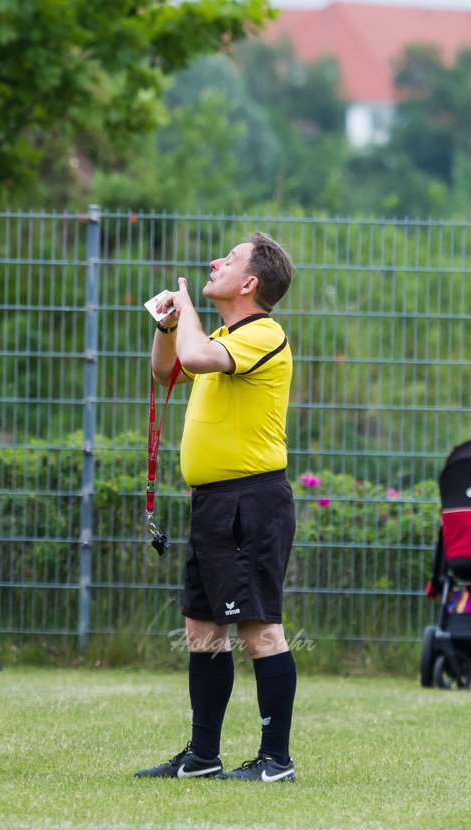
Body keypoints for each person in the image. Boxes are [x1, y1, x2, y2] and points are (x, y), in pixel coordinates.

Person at [135, 232, 298, 783]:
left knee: (259, 630)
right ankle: (203, 756)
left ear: (249, 283)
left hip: (249, 502)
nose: (214, 262)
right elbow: (166, 371)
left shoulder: (263, 332)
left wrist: (184, 310)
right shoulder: (225, 332)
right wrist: (167, 327)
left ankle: (276, 759)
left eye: (228, 260)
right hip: (213, 504)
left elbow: (198, 356)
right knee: (203, 627)